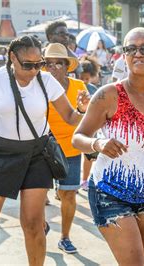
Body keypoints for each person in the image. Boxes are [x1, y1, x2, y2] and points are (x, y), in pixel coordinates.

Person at [72, 27, 144, 265]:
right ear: (123, 55)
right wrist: (98, 143)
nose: (138, 54)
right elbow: (78, 136)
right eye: (130, 48)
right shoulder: (109, 95)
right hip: (109, 192)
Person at [0, 35, 87, 265]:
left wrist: (82, 109)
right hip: (1, 152)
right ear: (12, 58)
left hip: (37, 154)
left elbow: (69, 116)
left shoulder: (46, 81)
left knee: (33, 223)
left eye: (39, 64)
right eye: (28, 65)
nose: (35, 70)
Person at [43, 43, 89, 254]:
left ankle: (65, 237)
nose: (52, 68)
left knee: (67, 194)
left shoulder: (79, 86)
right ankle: (40, 224)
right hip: (42, 149)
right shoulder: (37, 85)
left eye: (58, 63)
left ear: (66, 65)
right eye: (48, 63)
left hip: (70, 149)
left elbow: (86, 115)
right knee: (36, 194)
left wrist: (83, 108)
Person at [78, 57, 101, 191]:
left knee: (89, 155)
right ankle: (79, 180)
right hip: (75, 126)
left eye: (86, 79)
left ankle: (86, 180)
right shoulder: (74, 86)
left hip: (91, 127)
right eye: (81, 78)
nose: (84, 82)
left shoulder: (93, 89)